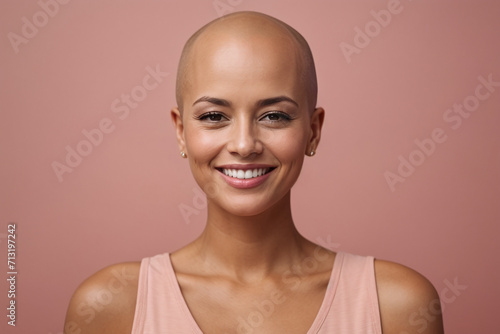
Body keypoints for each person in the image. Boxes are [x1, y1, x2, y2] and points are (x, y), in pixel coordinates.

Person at [63, 11, 444, 334]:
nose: (244, 145)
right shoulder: (111, 306)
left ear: (313, 130)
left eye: (274, 116)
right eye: (214, 116)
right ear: (181, 131)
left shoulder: (396, 306)